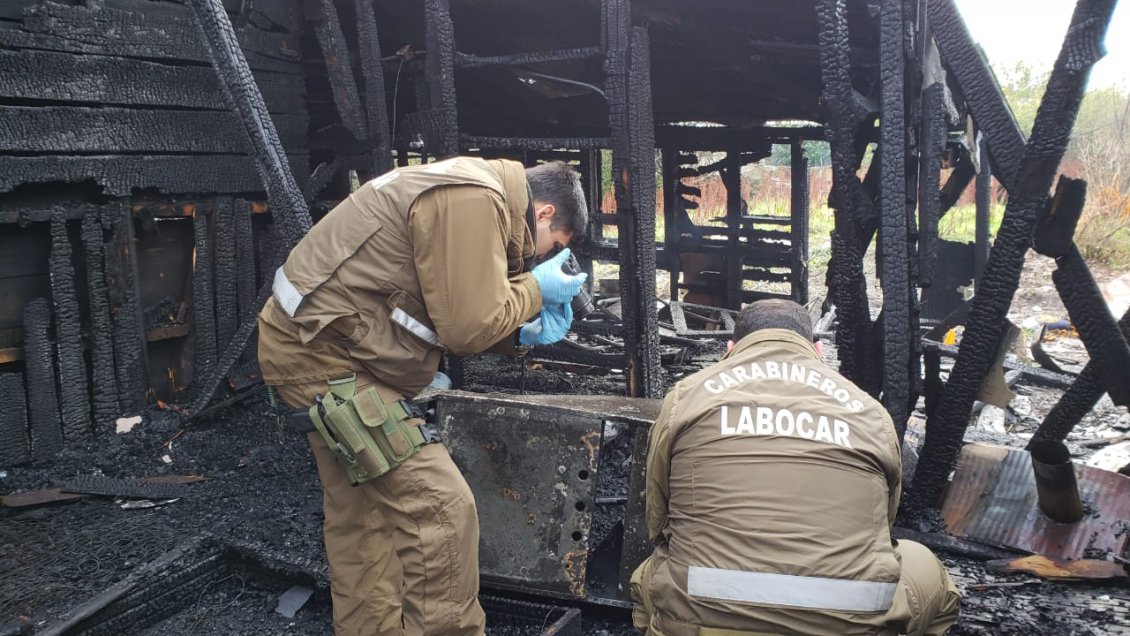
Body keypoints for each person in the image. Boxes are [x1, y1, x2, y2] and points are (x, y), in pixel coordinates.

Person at [258, 157, 589, 636]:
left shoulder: (472, 192)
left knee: (364, 514)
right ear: (543, 213)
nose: (541, 259)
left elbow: (447, 304)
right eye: (552, 247)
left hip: (329, 348)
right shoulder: (475, 197)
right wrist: (534, 291)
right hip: (326, 359)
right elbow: (466, 327)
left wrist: (521, 333)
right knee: (441, 509)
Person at [630, 299, 960, 636]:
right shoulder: (869, 410)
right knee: (927, 568)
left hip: (705, 620)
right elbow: (882, 522)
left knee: (648, 576)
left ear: (730, 349)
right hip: (849, 624)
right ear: (818, 350)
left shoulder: (688, 396)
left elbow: (657, 515)